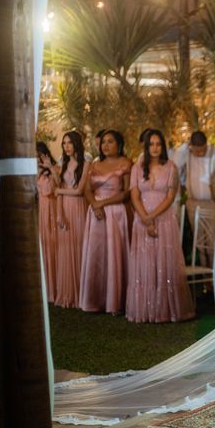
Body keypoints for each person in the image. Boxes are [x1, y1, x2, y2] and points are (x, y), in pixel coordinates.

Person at [126, 129, 195, 323]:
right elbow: (134, 195)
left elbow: (171, 197)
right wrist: (145, 218)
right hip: (141, 220)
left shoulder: (171, 167)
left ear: (163, 146)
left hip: (164, 220)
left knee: (164, 263)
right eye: (151, 144)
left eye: (158, 144)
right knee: (145, 263)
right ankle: (146, 310)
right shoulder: (137, 168)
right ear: (146, 147)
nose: (155, 148)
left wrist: (152, 217)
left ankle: (167, 310)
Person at [79, 130, 132, 314]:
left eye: (110, 142)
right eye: (104, 142)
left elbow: (126, 192)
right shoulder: (95, 164)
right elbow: (86, 189)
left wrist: (103, 203)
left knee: (114, 255)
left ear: (119, 144)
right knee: (96, 253)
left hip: (116, 212)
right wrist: (95, 205)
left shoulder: (125, 163)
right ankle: (94, 299)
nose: (106, 145)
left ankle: (115, 301)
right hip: (95, 213)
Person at [174, 130, 215, 289]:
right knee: (200, 245)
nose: (200, 153)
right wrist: (184, 146)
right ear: (191, 146)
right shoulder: (186, 155)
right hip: (193, 204)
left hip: (213, 203)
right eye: (197, 150)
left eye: (203, 149)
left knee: (214, 245)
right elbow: (174, 164)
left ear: (206, 143)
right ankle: (207, 286)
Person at [54, 131, 90, 308]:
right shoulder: (63, 163)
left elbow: (79, 191)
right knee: (66, 249)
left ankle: (82, 294)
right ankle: (68, 293)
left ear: (76, 144)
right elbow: (59, 189)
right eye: (64, 143)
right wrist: (59, 214)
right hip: (65, 210)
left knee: (80, 246)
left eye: (69, 143)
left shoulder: (86, 163)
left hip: (78, 208)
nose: (66, 146)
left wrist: (60, 191)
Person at [37, 142, 59, 303]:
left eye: (38, 154)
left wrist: (49, 167)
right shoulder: (34, 172)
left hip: (53, 209)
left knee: (54, 245)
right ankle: (45, 287)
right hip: (40, 211)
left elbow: (59, 185)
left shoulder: (55, 168)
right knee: (43, 246)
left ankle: (57, 287)